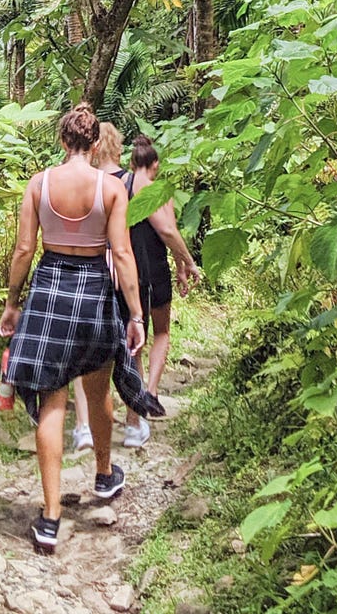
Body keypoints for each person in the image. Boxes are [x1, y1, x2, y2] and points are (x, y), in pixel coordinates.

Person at [0, 103, 157, 553]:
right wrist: (135, 314)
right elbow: (122, 256)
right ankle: (104, 475)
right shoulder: (110, 190)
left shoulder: (39, 184)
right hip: (93, 292)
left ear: (64, 141)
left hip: (49, 289)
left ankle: (49, 519)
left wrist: (13, 304)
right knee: (98, 388)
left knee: (52, 402)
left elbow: (25, 249)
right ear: (92, 144)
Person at [121, 135, 199, 449]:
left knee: (134, 340)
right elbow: (169, 231)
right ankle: (149, 393)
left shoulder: (119, 186)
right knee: (161, 332)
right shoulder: (157, 190)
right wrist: (187, 263)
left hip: (127, 273)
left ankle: (135, 411)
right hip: (153, 270)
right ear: (155, 165)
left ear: (131, 162)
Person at [69, 120, 126, 454]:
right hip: (111, 274)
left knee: (80, 355)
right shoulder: (119, 186)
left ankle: (82, 426)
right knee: (112, 355)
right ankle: (129, 420)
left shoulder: (70, 184)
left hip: (77, 274)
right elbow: (122, 244)